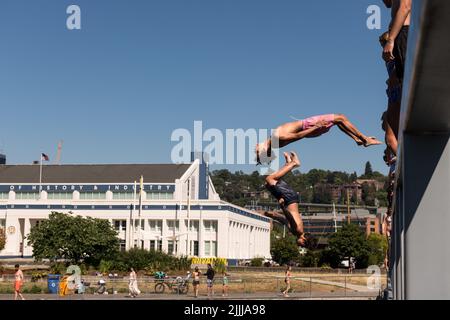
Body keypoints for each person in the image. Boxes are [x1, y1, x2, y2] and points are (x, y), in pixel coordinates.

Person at [255, 114, 382, 164]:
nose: (255, 146)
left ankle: (357, 139)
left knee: (339, 121)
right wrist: (314, 127)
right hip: (309, 125)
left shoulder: (274, 143)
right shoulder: (277, 138)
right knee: (341, 118)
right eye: (256, 150)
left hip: (309, 128)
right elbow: (297, 136)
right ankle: (365, 139)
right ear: (264, 149)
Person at [264, 151, 307, 246]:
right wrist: (282, 206)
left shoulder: (297, 232)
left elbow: (284, 220)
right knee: (270, 179)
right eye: (301, 245)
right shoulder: (298, 231)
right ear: (304, 240)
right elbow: (289, 217)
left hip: (290, 199)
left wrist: (272, 215)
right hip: (288, 198)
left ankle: (288, 164)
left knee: (268, 184)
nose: (299, 245)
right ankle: (294, 164)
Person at [382, 0, 412, 81]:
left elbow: (405, 7)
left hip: (403, 32)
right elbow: (388, 4)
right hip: (399, 34)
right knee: (404, 80)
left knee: (409, 79)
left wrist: (390, 40)